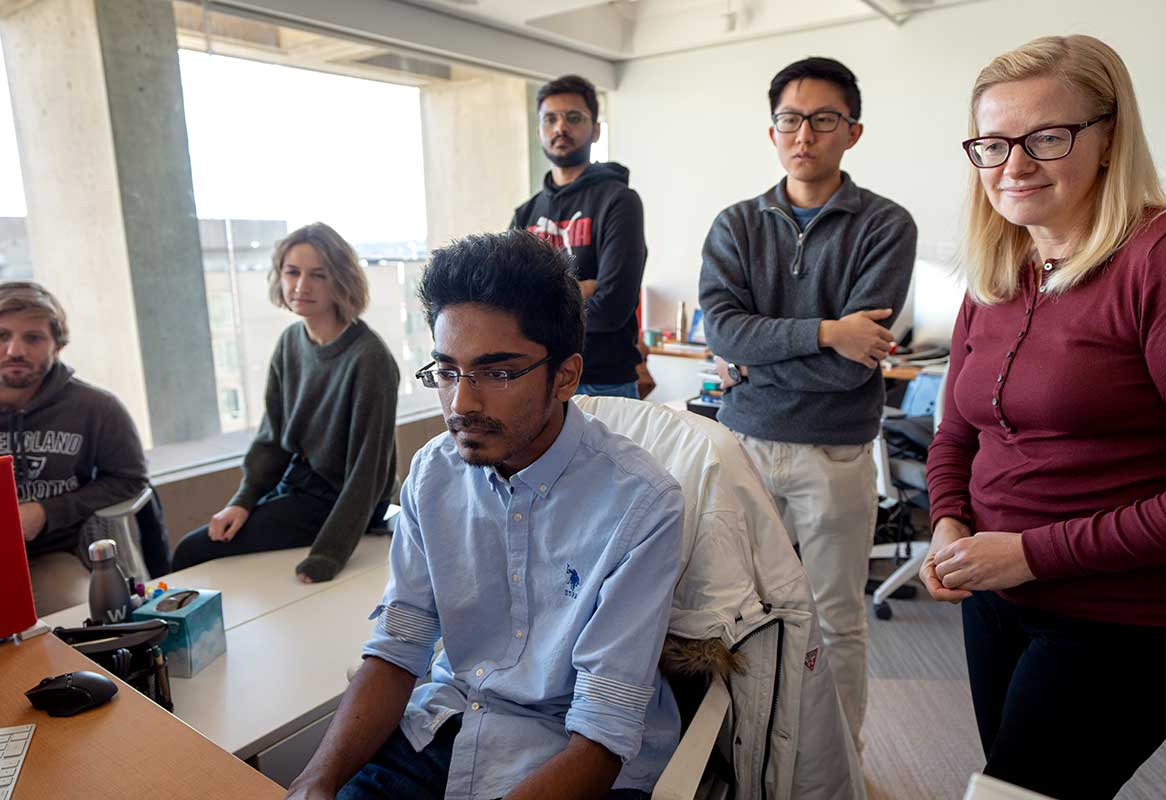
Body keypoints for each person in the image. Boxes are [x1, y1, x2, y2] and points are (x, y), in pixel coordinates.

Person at [284, 231, 684, 800]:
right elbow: (399, 649)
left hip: (566, 757)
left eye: (496, 373)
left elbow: (601, 735)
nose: (462, 404)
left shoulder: (640, 505)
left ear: (566, 376)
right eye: (447, 372)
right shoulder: (432, 474)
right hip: (443, 729)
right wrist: (313, 783)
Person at [922, 35, 1166, 800]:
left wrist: (1033, 553)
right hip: (997, 598)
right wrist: (949, 523)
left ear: (1110, 139)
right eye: (992, 143)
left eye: (1047, 137)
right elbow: (956, 434)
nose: (1014, 166)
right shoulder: (997, 270)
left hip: (1125, 618)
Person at [697, 56, 917, 748]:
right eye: (791, 120)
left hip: (836, 450)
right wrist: (826, 333)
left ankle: (838, 766)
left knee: (835, 619)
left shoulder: (886, 225)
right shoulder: (736, 225)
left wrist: (758, 360)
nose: (805, 135)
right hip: (744, 448)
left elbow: (859, 366)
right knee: (729, 610)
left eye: (824, 120)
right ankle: (737, 762)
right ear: (772, 133)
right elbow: (724, 329)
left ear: (852, 132)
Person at [171, 223, 399, 583]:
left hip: (337, 499)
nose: (300, 286)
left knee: (191, 551)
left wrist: (329, 554)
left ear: (340, 279)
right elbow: (272, 438)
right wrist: (242, 501)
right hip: (296, 486)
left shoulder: (369, 358)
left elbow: (367, 473)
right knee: (197, 548)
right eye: (292, 272)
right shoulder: (291, 342)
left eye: (318, 275)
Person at [0, 281, 156, 615]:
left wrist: (48, 511)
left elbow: (131, 480)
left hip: (52, 555)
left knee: (79, 615)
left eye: (33, 337)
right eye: (2, 335)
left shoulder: (95, 407)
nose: (15, 350)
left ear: (57, 343)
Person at [512, 74, 647, 399]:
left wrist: (540, 306)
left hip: (604, 380)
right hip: (538, 381)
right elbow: (509, 302)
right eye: (550, 119)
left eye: (573, 118)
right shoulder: (525, 213)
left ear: (596, 130)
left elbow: (612, 308)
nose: (561, 127)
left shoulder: (619, 201)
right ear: (539, 131)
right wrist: (580, 288)